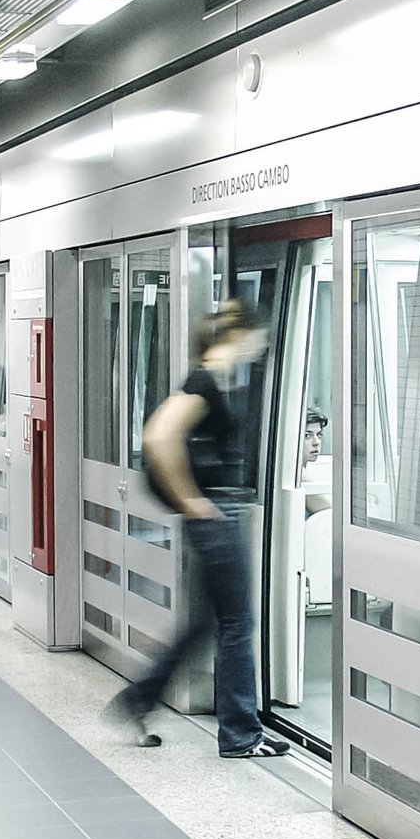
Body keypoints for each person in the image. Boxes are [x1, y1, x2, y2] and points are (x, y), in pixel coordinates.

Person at [108, 300, 291, 760]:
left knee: (205, 624)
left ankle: (138, 700)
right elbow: (158, 436)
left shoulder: (211, 381)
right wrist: (190, 498)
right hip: (216, 517)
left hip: (213, 517)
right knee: (237, 624)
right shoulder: (203, 381)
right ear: (240, 336)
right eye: (259, 339)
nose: (260, 348)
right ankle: (241, 735)